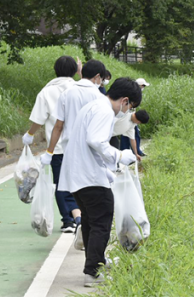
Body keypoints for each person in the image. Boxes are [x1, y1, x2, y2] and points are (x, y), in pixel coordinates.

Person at [57, 77, 142, 287]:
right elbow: (95, 141)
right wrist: (120, 156)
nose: (127, 110)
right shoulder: (105, 111)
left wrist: (108, 170)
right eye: (130, 106)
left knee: (90, 221)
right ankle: (92, 272)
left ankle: (97, 262)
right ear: (125, 100)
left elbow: (90, 144)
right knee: (101, 222)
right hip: (88, 177)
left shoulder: (93, 106)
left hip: (79, 174)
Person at [22, 55, 82, 233]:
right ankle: (80, 217)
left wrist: (30, 134)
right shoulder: (80, 88)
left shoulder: (47, 92)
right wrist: (80, 73)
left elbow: (38, 119)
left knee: (61, 183)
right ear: (74, 71)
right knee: (79, 183)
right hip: (80, 147)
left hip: (57, 148)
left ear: (55, 70)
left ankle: (68, 221)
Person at [120, 77, 150, 156]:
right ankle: (125, 153)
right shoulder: (131, 94)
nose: (143, 88)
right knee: (125, 135)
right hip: (128, 117)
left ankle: (135, 152)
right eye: (143, 86)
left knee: (133, 135)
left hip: (133, 118)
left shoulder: (137, 94)